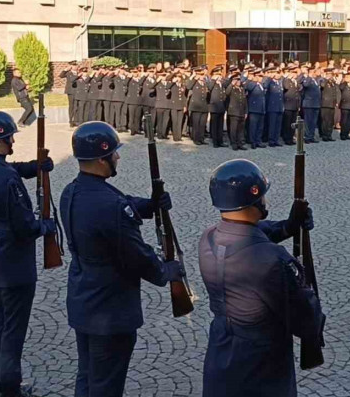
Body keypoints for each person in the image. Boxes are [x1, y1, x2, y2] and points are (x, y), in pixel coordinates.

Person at [60, 122, 183, 397]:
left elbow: (119, 202)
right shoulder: (111, 206)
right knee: (107, 385)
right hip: (110, 308)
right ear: (102, 158)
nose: (118, 157)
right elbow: (136, 255)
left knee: (89, 375)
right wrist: (165, 270)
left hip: (84, 298)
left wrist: (150, 205)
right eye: (114, 153)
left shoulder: (72, 191)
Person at [199, 159, 323, 397]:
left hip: (221, 356)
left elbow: (250, 233)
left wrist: (288, 226)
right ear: (255, 198)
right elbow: (307, 319)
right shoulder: (272, 260)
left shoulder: (208, 238)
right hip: (262, 370)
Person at [0, 111, 56, 397]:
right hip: (13, 262)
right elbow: (24, 226)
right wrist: (45, 226)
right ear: (0, 140)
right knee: (13, 330)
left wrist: (36, 167)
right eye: (9, 138)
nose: (12, 143)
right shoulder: (7, 178)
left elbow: (10, 169)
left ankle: (0, 382)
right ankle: (9, 387)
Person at [187, 67, 211, 146]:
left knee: (202, 124)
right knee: (196, 124)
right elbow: (188, 86)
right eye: (200, 74)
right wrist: (194, 77)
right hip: (196, 106)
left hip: (204, 106)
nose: (202, 76)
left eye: (203, 74)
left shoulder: (204, 83)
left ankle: (201, 138)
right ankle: (196, 139)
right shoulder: (194, 82)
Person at [244, 69, 267, 148]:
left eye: (261, 76)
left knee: (260, 127)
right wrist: (253, 81)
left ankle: (258, 140)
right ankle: (253, 141)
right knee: (253, 126)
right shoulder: (251, 84)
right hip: (254, 109)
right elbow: (248, 88)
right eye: (259, 76)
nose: (261, 78)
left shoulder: (261, 85)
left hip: (261, 108)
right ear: (255, 76)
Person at [263, 67, 285, 147]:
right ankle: (271, 140)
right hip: (272, 107)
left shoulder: (279, 83)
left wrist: (282, 106)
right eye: (277, 73)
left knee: (278, 125)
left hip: (279, 106)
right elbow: (265, 86)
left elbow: (281, 96)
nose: (279, 75)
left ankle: (276, 139)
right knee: (272, 125)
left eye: (279, 73)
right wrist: (269, 78)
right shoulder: (270, 82)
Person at [208, 67, 228, 148]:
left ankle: (220, 141)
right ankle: (215, 142)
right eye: (218, 74)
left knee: (220, 125)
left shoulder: (221, 83)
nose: (220, 76)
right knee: (214, 125)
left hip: (221, 107)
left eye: (220, 74)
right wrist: (213, 80)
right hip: (214, 107)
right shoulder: (211, 82)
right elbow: (209, 88)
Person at [300, 68, 322, 143]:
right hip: (309, 104)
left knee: (313, 122)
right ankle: (307, 136)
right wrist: (309, 76)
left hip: (316, 104)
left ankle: (311, 136)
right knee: (308, 121)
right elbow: (305, 85)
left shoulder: (316, 80)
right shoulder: (307, 79)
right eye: (316, 71)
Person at [319, 68, 340, 142]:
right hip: (325, 103)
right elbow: (322, 85)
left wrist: (336, 101)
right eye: (328, 74)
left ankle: (329, 134)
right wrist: (326, 79)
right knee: (325, 120)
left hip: (332, 103)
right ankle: (324, 135)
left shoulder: (333, 82)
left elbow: (335, 92)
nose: (330, 76)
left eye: (331, 74)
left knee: (330, 121)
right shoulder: (323, 80)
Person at [60, 63, 80, 127]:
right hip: (71, 91)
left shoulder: (79, 72)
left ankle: (76, 120)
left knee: (76, 106)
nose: (75, 67)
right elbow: (61, 75)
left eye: (76, 65)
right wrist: (65, 69)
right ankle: (71, 121)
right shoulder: (69, 73)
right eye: (73, 65)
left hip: (78, 92)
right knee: (71, 106)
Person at [338, 71, 350, 140]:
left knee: (349, 121)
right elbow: (341, 88)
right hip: (345, 105)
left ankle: (347, 133)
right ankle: (343, 134)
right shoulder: (343, 85)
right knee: (344, 120)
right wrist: (345, 81)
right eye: (349, 77)